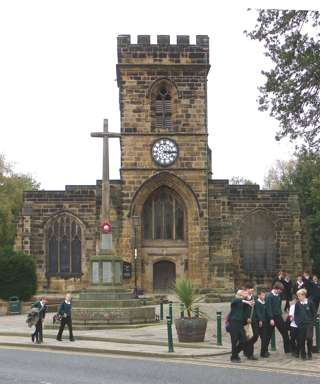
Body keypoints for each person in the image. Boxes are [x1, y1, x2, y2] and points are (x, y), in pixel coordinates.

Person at [229, 289, 254, 363]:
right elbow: (238, 301)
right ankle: (234, 357)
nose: (244, 294)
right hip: (233, 323)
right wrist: (246, 301)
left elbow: (248, 307)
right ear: (238, 294)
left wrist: (249, 300)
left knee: (244, 340)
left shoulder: (242, 301)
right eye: (242, 293)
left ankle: (234, 354)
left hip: (240, 324)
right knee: (234, 341)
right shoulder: (234, 300)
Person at [265, 282, 291, 353]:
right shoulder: (269, 296)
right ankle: (264, 351)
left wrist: (281, 314)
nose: (281, 291)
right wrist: (271, 318)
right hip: (272, 318)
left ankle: (287, 349)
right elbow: (268, 308)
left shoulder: (279, 295)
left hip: (278, 317)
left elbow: (279, 307)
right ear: (276, 288)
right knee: (268, 335)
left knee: (284, 332)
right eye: (280, 290)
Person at [294, 288, 316, 360]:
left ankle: (309, 352)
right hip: (301, 325)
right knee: (301, 340)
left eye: (299, 296)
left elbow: (314, 313)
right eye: (298, 296)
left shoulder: (310, 302)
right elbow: (296, 314)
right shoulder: (297, 304)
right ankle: (303, 354)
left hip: (309, 324)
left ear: (303, 295)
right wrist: (298, 322)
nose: (298, 297)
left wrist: (312, 322)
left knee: (309, 338)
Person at [242, 282, 259, 360]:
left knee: (255, 336)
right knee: (249, 336)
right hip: (246, 320)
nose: (251, 290)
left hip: (254, 319)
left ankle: (245, 348)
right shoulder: (243, 298)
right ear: (246, 289)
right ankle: (250, 354)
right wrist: (246, 318)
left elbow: (257, 309)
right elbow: (242, 310)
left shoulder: (254, 297)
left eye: (252, 288)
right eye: (250, 289)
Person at [254, 287, 269, 358]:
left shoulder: (264, 302)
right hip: (260, 322)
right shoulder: (257, 303)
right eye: (262, 295)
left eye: (264, 295)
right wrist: (260, 320)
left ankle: (264, 351)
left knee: (265, 338)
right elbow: (258, 312)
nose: (264, 296)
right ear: (259, 295)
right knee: (261, 337)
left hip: (265, 322)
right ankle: (263, 352)